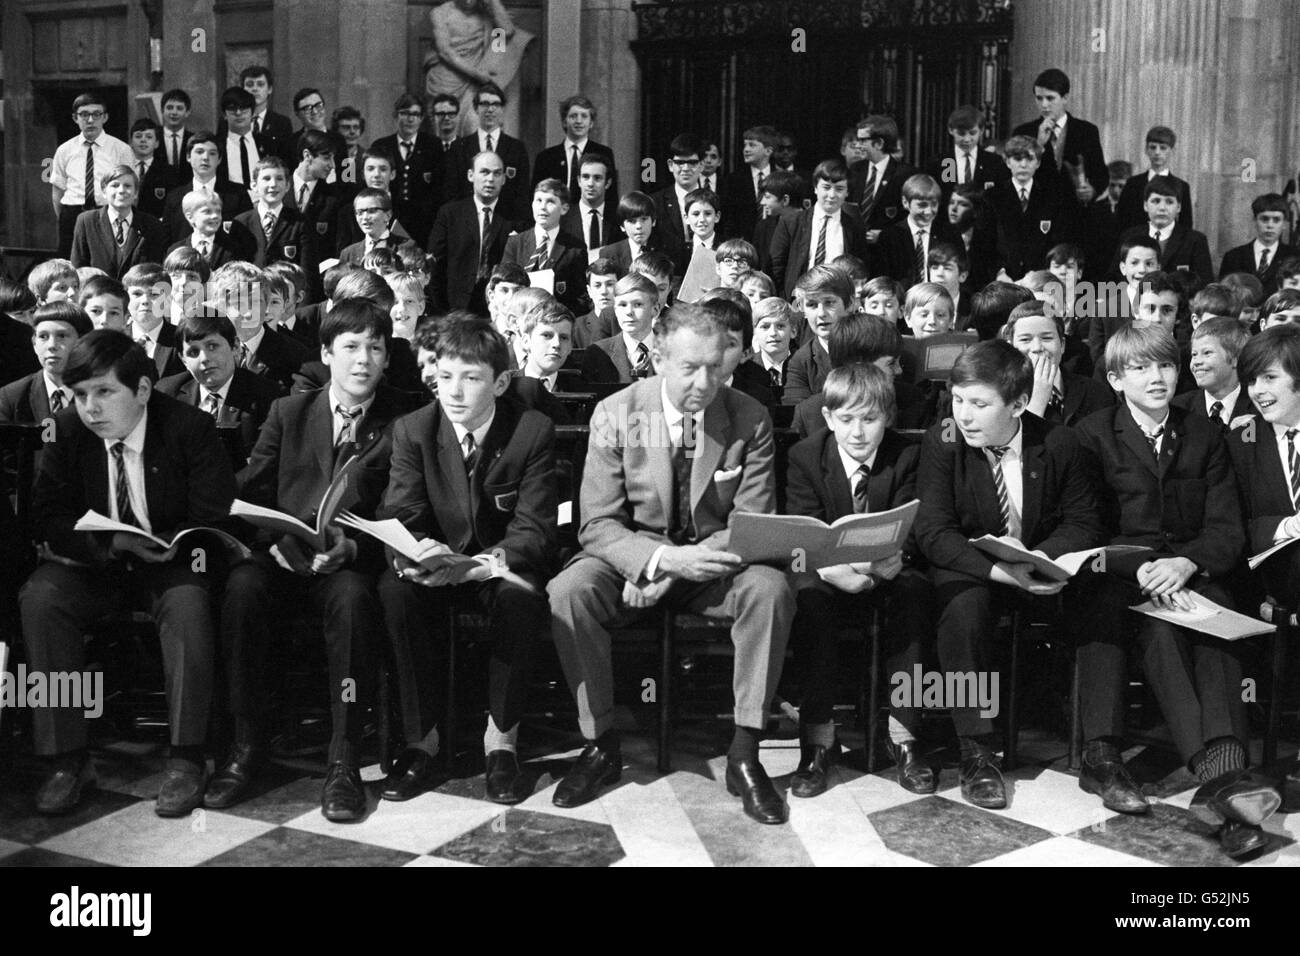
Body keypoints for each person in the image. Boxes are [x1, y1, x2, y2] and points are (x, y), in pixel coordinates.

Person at [547, 302, 796, 823]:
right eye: (689, 367)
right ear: (658, 359)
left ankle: (745, 751)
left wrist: (680, 566)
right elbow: (596, 523)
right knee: (569, 592)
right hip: (630, 560)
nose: (705, 381)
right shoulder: (616, 413)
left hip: (716, 566)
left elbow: (753, 521)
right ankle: (600, 744)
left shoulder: (749, 416)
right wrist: (658, 563)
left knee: (771, 589)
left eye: (716, 365)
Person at [1073, 324, 1276, 858]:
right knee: (1160, 628)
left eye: (1165, 365)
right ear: (1116, 379)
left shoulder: (1206, 433)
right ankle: (1224, 783)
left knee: (1218, 625)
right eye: (1140, 368)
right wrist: (1140, 567)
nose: (1157, 377)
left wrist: (1187, 562)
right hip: (1124, 576)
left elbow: (1227, 527)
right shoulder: (1092, 434)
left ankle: (1222, 780)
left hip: (1194, 571)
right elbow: (1085, 526)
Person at [19, 329, 237, 816]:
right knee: (40, 598)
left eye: (104, 392)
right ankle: (66, 759)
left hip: (168, 565)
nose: (90, 407)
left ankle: (185, 757)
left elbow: (214, 514)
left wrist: (174, 544)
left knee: (187, 603)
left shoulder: (188, 427)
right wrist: (107, 543)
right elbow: (47, 515)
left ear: (141, 390)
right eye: (80, 394)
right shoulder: (68, 430)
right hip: (98, 565)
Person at [212, 299, 411, 819]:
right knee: (242, 587)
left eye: (375, 347)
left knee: (352, 600)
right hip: (284, 553)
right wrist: (274, 540)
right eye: (350, 347)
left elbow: (407, 508)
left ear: (388, 356)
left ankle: (344, 758)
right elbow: (248, 494)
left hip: (350, 561)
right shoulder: (288, 411)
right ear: (326, 353)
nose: (363, 359)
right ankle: (246, 743)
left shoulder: (404, 419)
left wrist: (357, 547)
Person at [914, 339, 1100, 809]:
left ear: (1018, 404)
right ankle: (977, 750)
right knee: (962, 609)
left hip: (1041, 568)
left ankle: (1099, 748)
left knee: (1100, 596)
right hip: (974, 570)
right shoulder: (944, 439)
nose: (965, 416)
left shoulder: (1059, 442)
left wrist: (1039, 559)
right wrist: (1002, 570)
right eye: (958, 400)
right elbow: (933, 532)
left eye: (979, 404)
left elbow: (1084, 521)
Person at [377, 316, 557, 803]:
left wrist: (483, 564)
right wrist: (417, 552)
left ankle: (501, 743)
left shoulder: (532, 430)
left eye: (471, 378)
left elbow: (534, 527)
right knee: (395, 592)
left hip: (499, 566)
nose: (453, 391)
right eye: (445, 375)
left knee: (520, 599)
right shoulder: (414, 429)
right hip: (437, 564)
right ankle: (423, 742)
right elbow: (401, 511)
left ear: (499, 382)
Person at [785, 363, 935, 794]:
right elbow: (804, 535)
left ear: (887, 417)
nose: (857, 432)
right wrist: (839, 571)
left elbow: (916, 524)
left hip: (889, 571)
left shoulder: (908, 455)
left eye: (869, 419)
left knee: (915, 593)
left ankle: (906, 736)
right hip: (827, 573)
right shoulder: (805, 457)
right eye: (846, 419)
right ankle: (817, 741)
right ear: (829, 418)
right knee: (809, 598)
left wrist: (890, 560)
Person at [1229, 324, 1300, 813]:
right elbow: (1235, 525)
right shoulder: (1240, 440)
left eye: (1271, 378)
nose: (1258, 391)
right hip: (1270, 575)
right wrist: (1289, 526)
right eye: (1252, 380)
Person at [1011, 67, 1107, 240]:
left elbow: (1101, 174)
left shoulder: (1087, 131)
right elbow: (1015, 173)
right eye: (1039, 98)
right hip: (1035, 217)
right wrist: (1038, 144)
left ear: (1065, 98)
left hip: (1076, 218)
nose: (1044, 105)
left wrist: (1091, 191)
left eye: (1050, 98)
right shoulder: (1024, 131)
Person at [1000, 300, 1114, 426]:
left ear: (1062, 345)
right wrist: (1036, 404)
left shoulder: (1096, 392)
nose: (1037, 347)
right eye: (1025, 339)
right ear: (1011, 347)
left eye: (1047, 338)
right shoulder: (999, 395)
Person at [50, 91, 135, 257]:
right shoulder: (65, 150)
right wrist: (66, 217)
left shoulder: (121, 149)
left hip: (106, 212)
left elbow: (130, 189)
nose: (90, 120)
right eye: (84, 115)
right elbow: (57, 191)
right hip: (73, 213)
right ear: (75, 118)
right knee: (72, 261)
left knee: (106, 261)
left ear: (105, 117)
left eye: (96, 114)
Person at [428, 150, 512, 313]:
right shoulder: (450, 214)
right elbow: (434, 265)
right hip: (455, 307)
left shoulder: (515, 217)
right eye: (484, 172)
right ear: (470, 175)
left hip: (499, 307)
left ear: (503, 179)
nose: (490, 179)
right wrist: (441, 309)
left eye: (497, 173)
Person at [972, 135, 1066, 282]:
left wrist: (1040, 274)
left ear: (1038, 163)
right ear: (1007, 162)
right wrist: (999, 272)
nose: (1023, 165)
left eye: (1029, 159)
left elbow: (1057, 243)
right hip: (1003, 281)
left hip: (1040, 281)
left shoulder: (1052, 198)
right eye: (1017, 159)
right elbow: (983, 244)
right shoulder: (992, 197)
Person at [770, 160, 866, 297]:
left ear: (847, 192)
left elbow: (859, 269)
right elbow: (776, 267)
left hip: (837, 300)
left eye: (839, 189)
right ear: (815, 188)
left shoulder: (854, 226)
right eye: (826, 187)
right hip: (798, 300)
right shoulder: (791, 222)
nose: (831, 195)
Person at [448, 83, 531, 223]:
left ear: (502, 109)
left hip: (506, 224)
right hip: (467, 224)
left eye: (496, 104)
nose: (490, 109)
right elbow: (451, 192)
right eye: (484, 104)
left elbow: (522, 195)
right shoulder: (459, 148)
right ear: (475, 108)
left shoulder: (517, 148)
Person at [1108, 176, 1213, 285]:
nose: (1162, 208)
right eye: (1156, 201)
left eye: (1169, 202)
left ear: (1179, 207)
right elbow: (1115, 277)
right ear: (1145, 205)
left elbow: (1204, 285)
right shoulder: (1129, 236)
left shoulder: (1195, 241)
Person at [371, 94, 445, 248]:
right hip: (389, 218)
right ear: (395, 116)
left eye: (415, 114)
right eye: (405, 113)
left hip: (424, 222)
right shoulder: (382, 145)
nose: (410, 119)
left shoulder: (433, 145)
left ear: (422, 118)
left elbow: (439, 187)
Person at [502, 179, 587, 312]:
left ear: (564, 208)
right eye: (538, 200)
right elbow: (505, 284)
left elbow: (580, 296)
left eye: (550, 202)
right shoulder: (515, 243)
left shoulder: (575, 248)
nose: (542, 207)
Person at [69, 166, 168, 279]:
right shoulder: (86, 221)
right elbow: (78, 268)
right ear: (104, 191)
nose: (121, 190)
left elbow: (157, 271)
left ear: (136, 193)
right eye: (115, 185)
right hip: (98, 294)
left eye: (127, 186)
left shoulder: (152, 225)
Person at [161, 132, 253, 243]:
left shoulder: (238, 194)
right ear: (188, 157)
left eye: (212, 153)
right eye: (199, 152)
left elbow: (247, 236)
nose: (205, 158)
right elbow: (167, 239)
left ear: (219, 159)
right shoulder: (174, 197)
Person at [784, 265, 854, 403]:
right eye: (812, 305)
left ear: (850, 304)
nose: (821, 313)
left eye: (829, 302)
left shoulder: (873, 346)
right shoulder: (800, 362)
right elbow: (798, 415)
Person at [875, 173, 958, 287]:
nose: (928, 211)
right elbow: (883, 281)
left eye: (934, 205)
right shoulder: (890, 236)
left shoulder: (949, 234)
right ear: (905, 202)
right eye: (922, 205)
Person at [846, 115, 916, 246]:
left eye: (862, 141)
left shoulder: (905, 175)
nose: (858, 146)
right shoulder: (855, 170)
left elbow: (912, 219)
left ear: (879, 143)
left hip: (887, 254)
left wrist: (885, 235)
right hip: (855, 250)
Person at [1171, 316, 1253, 426]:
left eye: (1207, 353)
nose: (1197, 362)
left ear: (1236, 359)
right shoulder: (1178, 408)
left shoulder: (1257, 407)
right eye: (1194, 354)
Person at [581, 272, 660, 383]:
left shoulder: (673, 351)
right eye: (622, 305)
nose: (629, 312)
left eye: (638, 304)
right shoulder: (596, 354)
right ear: (615, 310)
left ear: (655, 310)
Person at [533, 95, 618, 198]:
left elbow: (611, 196)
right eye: (573, 116)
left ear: (591, 123)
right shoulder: (545, 157)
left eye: (584, 116)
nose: (579, 121)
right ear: (564, 122)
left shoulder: (603, 154)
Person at [1218, 194, 1299, 299]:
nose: (1270, 225)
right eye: (1264, 219)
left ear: (1284, 224)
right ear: (1255, 220)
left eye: (1276, 220)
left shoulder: (1295, 256)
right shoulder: (1234, 257)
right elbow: (1224, 297)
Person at [923, 105, 1009, 203]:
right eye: (961, 133)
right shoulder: (938, 163)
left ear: (981, 131)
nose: (967, 139)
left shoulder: (995, 162)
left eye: (972, 133)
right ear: (951, 130)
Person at [650, 134, 705, 278]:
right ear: (670, 165)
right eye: (680, 162)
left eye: (692, 162)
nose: (686, 168)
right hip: (669, 277)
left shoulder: (715, 200)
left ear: (701, 165)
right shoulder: (655, 202)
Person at [122, 264, 184, 380]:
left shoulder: (182, 339)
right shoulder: (116, 339)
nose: (145, 300)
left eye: (154, 294)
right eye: (137, 294)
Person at [722, 124, 779, 242]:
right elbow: (728, 219)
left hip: (775, 242)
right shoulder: (733, 180)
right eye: (745, 145)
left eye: (752, 145)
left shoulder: (781, 178)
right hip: (743, 244)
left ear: (768, 151)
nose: (746, 150)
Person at [166, 191, 251, 267]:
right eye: (207, 211)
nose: (215, 216)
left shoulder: (233, 248)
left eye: (218, 211)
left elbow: (242, 281)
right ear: (190, 217)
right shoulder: (175, 250)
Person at [560, 153, 619, 254]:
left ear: (608, 183)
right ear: (579, 181)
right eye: (585, 177)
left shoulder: (618, 219)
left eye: (597, 178)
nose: (590, 184)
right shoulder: (562, 219)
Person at [129, 118, 171, 219]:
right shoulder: (122, 167)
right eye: (138, 136)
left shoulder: (168, 172)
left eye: (149, 137)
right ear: (130, 142)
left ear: (156, 143)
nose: (143, 140)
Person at [157, 89, 196, 183]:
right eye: (169, 108)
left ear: (187, 112)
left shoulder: (195, 140)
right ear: (162, 110)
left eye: (179, 108)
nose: (174, 112)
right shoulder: (153, 137)